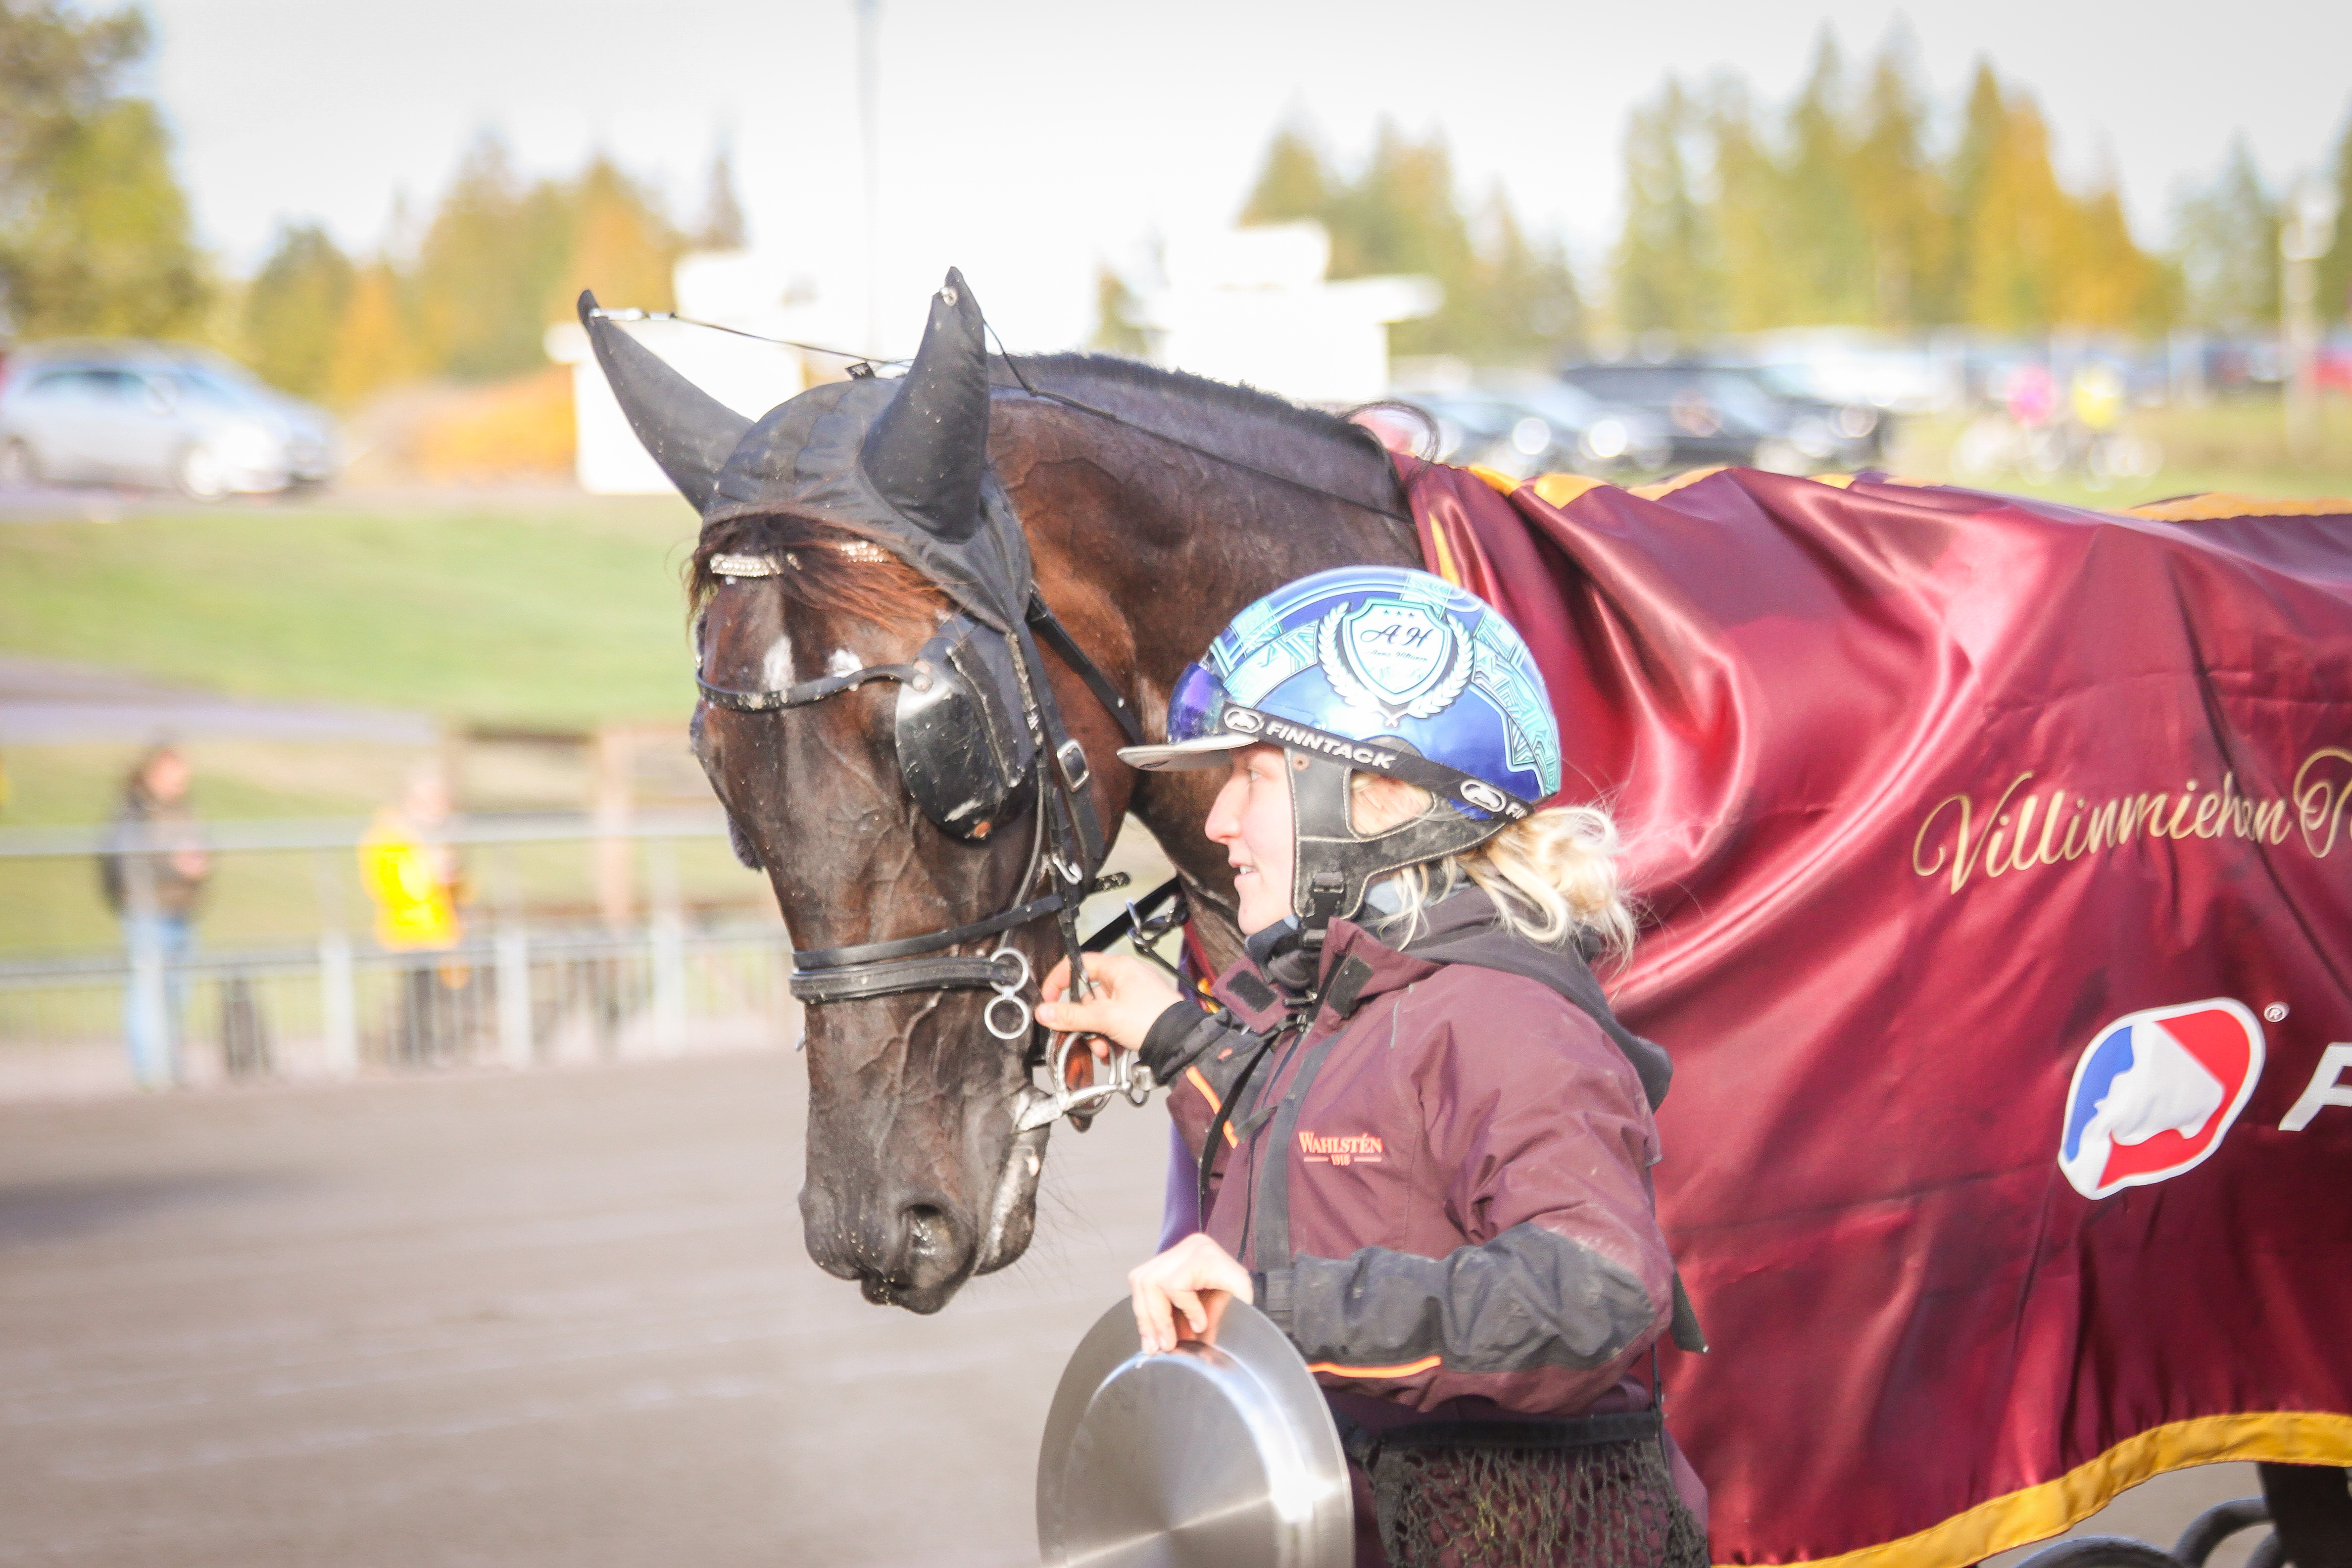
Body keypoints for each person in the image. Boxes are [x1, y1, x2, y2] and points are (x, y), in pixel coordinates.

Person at [1037, 567, 1709, 1568]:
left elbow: (1597, 1290)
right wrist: (1173, 1033)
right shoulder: (1359, 1000)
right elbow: (1318, 1150)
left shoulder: (1500, 1016)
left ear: (1382, 793)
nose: (1219, 825)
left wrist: (1282, 1306)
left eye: (1254, 778)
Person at [99, 743, 211, 1088]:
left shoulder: (181, 808)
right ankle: (150, 1071)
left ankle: (170, 1066)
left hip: (180, 911)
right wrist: (172, 864)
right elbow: (127, 860)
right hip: (147, 914)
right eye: (176, 771)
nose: (184, 778)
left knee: (177, 993)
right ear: (155, 772)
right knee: (148, 993)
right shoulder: (135, 810)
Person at [359, 768, 468, 1064]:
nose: (440, 808)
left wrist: (454, 879)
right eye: (431, 800)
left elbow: (462, 889)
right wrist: (429, 873)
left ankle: (435, 1053)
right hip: (409, 930)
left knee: (441, 998)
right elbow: (387, 887)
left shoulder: (439, 837)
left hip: (442, 929)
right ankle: (412, 1056)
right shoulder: (388, 837)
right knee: (414, 999)